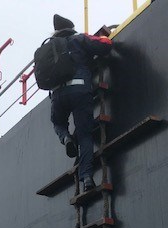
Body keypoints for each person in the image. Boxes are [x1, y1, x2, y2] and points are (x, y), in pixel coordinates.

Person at [48, 14, 112, 192]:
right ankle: (87, 178)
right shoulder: (78, 39)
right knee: (85, 135)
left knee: (59, 122)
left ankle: (66, 137)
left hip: (57, 95)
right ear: (71, 28)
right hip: (79, 90)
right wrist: (105, 38)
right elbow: (104, 46)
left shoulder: (48, 48)